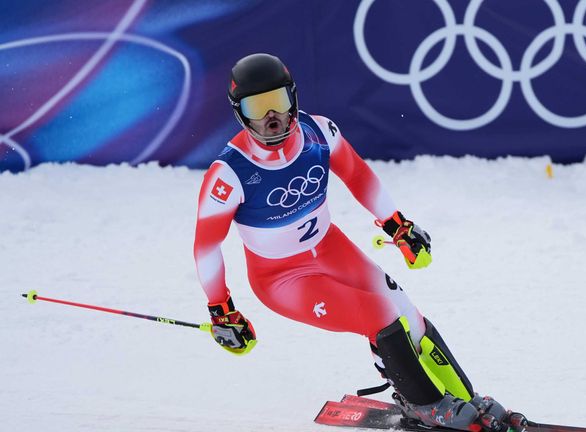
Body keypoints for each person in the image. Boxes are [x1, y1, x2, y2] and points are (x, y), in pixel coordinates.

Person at [193, 53, 522, 432]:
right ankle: (425, 405)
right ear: (240, 113)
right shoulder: (229, 174)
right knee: (379, 314)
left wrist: (398, 226)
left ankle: (465, 398)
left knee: (406, 312)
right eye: (257, 108)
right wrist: (221, 309)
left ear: (293, 98)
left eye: (278, 102)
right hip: (282, 277)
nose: (271, 117)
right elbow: (206, 247)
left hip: (331, 248)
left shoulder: (319, 133)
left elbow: (358, 176)